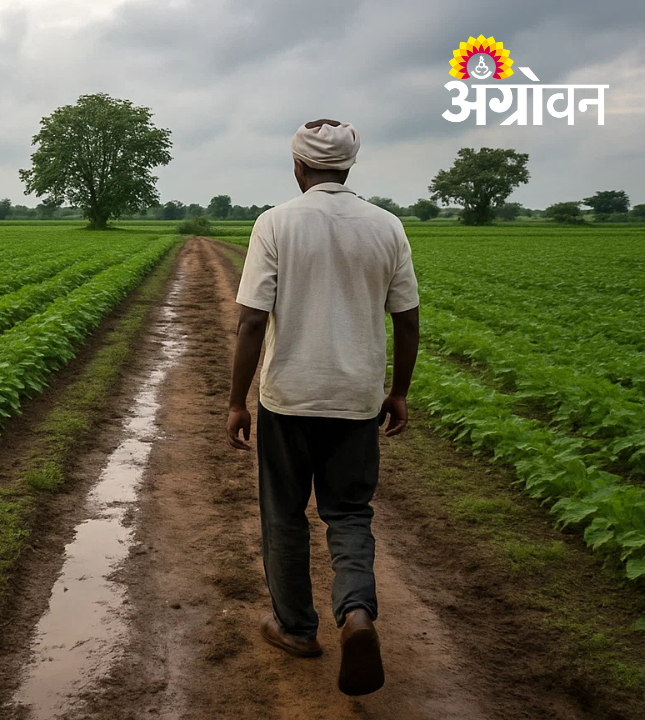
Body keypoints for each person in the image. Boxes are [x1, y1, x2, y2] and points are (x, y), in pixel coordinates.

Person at [225, 119, 420, 697]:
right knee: (350, 513)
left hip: (288, 399)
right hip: (356, 401)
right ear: (349, 166)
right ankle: (356, 613)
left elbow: (251, 320)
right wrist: (398, 391)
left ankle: (296, 628)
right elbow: (407, 318)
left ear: (298, 167)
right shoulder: (386, 226)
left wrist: (236, 401)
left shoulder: (276, 223)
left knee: (284, 514)